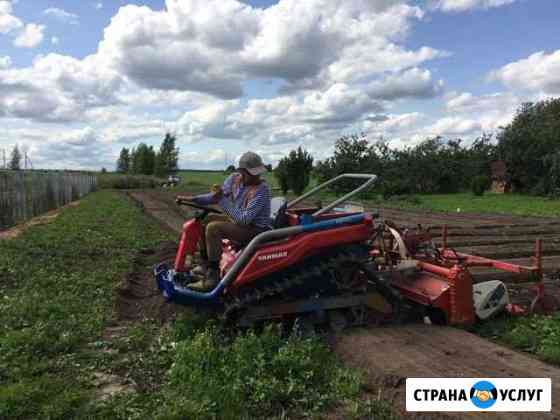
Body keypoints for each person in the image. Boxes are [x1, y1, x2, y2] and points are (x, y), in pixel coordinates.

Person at [178, 152, 272, 291]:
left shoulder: (261, 190)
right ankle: (205, 265)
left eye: (257, 173)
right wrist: (191, 199)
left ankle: (212, 278)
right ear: (241, 171)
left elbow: (244, 219)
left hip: (254, 230)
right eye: (251, 173)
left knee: (213, 228)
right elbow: (214, 197)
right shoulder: (234, 179)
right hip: (237, 222)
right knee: (206, 221)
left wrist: (222, 200)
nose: (255, 176)